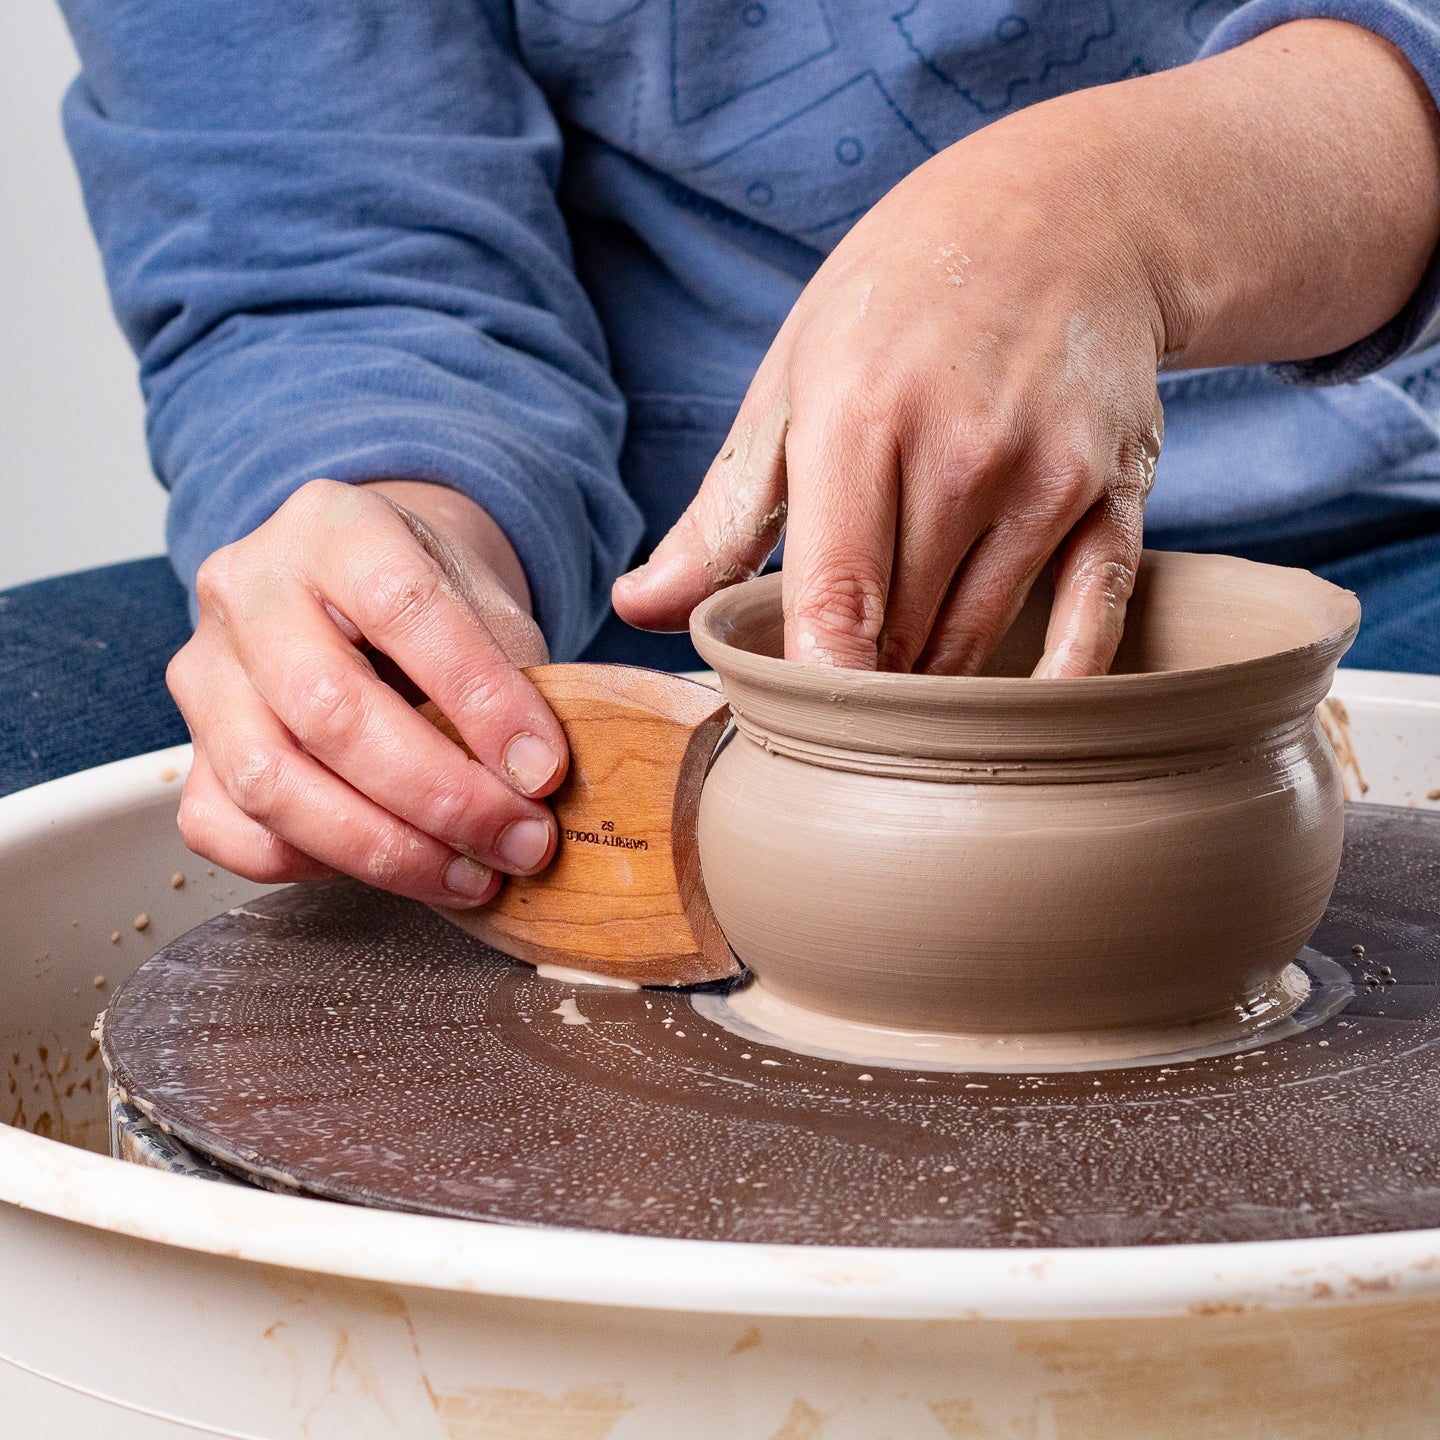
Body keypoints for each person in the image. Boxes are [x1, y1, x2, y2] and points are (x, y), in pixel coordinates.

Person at [24, 0, 1440, 909]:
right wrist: (410, 535)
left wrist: (1122, 213)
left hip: (1377, 509)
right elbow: (340, 246)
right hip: (657, 576)